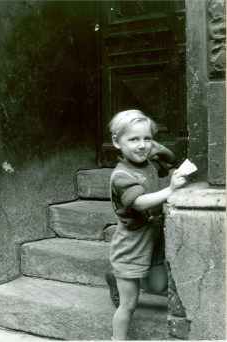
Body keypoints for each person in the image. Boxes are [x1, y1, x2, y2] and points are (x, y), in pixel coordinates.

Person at [105, 109, 187, 340]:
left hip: (153, 239)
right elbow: (139, 203)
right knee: (129, 304)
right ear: (116, 142)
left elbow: (170, 161)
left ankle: (117, 277)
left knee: (159, 286)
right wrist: (170, 190)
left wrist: (155, 146)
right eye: (133, 139)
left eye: (146, 138)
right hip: (131, 244)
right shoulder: (121, 175)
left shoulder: (148, 162)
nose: (142, 146)